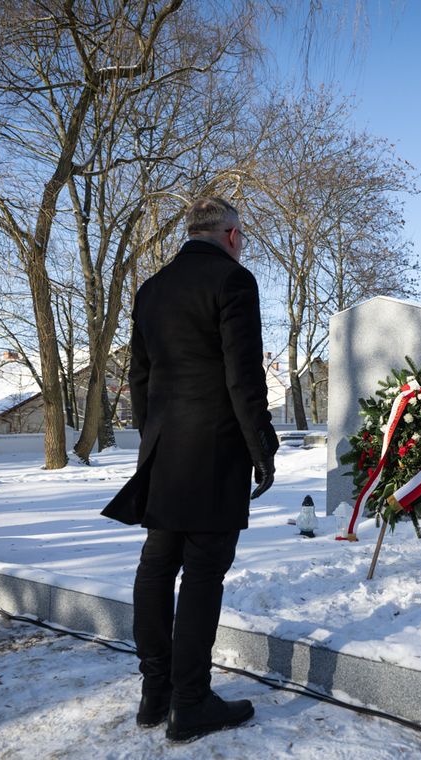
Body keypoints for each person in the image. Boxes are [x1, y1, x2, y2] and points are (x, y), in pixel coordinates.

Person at [102, 196, 278, 743]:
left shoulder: (151, 289)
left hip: (165, 448)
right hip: (214, 447)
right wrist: (262, 446)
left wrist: (154, 437)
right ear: (231, 235)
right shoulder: (233, 280)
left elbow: (139, 379)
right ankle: (191, 701)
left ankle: (155, 693)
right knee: (202, 572)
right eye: (241, 238)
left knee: (157, 564)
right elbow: (242, 375)